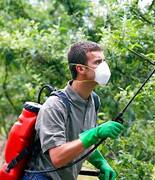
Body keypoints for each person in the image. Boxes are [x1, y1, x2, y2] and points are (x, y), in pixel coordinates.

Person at [23, 41, 124, 180]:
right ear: (80, 69)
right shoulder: (55, 105)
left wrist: (101, 162)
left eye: (104, 61)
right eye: (97, 62)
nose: (104, 67)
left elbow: (81, 142)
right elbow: (57, 157)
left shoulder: (93, 100)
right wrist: (96, 133)